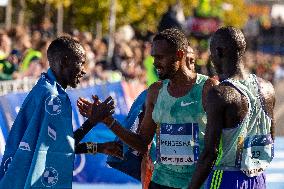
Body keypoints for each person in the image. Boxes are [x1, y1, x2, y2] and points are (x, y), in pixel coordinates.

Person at [80, 28, 217, 189]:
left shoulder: (208, 88)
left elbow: (217, 146)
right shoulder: (155, 91)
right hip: (161, 182)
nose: (154, 63)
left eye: (160, 57)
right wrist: (108, 121)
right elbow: (142, 144)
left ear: (179, 55)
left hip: (197, 184)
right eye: (153, 57)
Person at [0, 36, 114, 188]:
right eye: (80, 63)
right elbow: (61, 148)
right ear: (65, 61)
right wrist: (92, 121)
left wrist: (99, 147)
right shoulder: (54, 98)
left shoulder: (44, 87)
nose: (84, 70)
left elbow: (52, 147)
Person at [188, 26, 275, 189]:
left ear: (219, 52)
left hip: (226, 178)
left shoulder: (220, 94)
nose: (211, 58)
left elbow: (210, 153)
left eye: (211, 52)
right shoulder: (267, 88)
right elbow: (269, 139)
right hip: (258, 178)